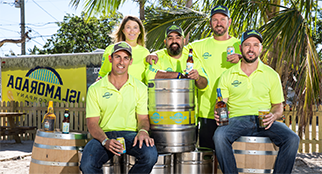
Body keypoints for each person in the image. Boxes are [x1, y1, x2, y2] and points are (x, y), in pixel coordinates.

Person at [213, 30, 299, 174]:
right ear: (241, 48)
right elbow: (222, 102)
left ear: (260, 48)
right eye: (247, 45)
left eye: (255, 45)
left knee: (292, 139)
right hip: (236, 120)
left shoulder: (271, 74)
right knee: (219, 136)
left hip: (264, 120)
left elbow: (278, 107)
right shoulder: (227, 75)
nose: (251, 49)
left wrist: (274, 115)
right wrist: (219, 112)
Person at [80, 42, 158, 174]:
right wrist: (105, 141)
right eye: (118, 57)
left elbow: (143, 118)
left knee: (150, 156)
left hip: (131, 136)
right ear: (110, 59)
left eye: (126, 58)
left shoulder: (140, 87)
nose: (121, 61)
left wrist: (143, 131)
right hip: (104, 135)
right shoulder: (95, 88)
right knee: (87, 164)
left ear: (131, 61)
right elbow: (92, 123)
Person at [145, 24, 208, 90]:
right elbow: (149, 77)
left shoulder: (193, 60)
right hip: (162, 100)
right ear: (165, 42)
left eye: (178, 38)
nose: (174, 41)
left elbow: (204, 85)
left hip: (187, 100)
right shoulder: (157, 58)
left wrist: (197, 77)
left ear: (184, 41)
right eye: (170, 38)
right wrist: (178, 75)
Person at [98, 15, 151, 83]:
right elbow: (103, 73)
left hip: (137, 92)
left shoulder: (145, 52)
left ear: (139, 31)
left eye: (135, 27)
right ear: (123, 30)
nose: (132, 31)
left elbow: (148, 78)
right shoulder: (110, 49)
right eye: (128, 27)